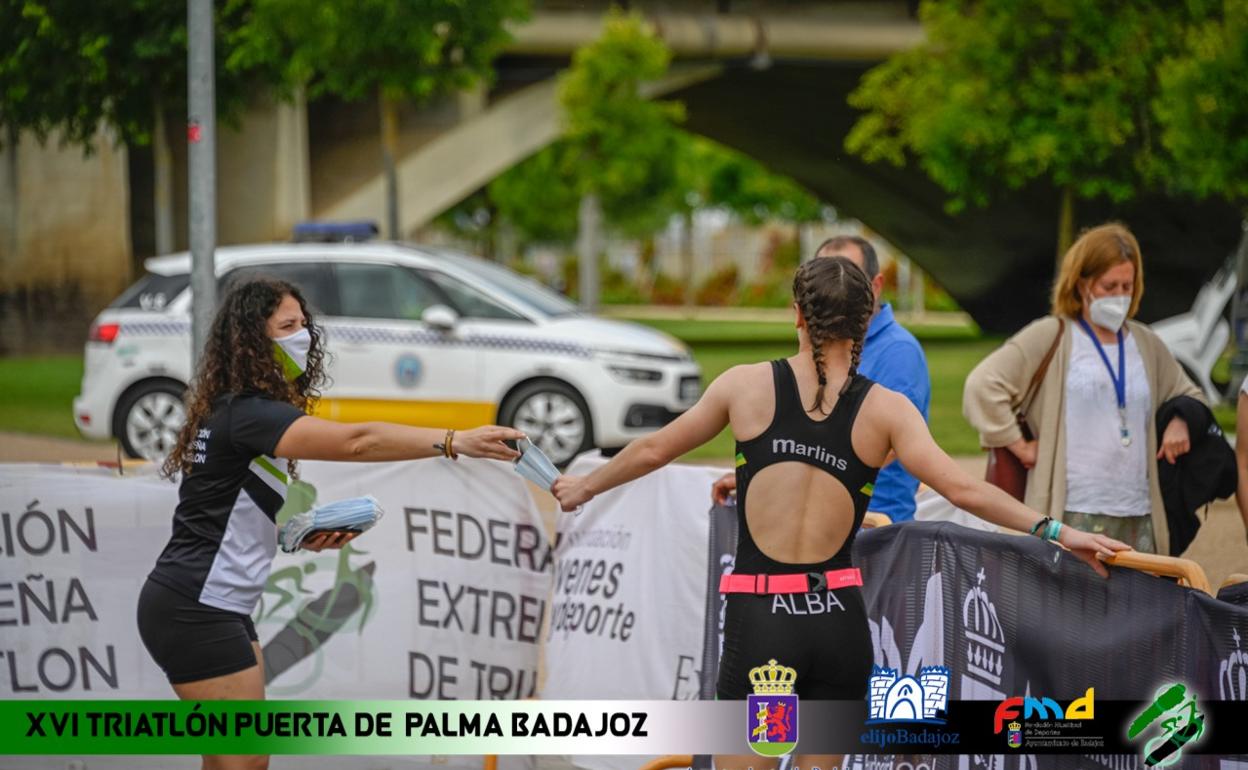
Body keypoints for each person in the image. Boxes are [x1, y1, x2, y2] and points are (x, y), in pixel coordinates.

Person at [553, 257, 1127, 770]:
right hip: (837, 623)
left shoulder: (746, 386)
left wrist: (585, 486)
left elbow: (655, 449)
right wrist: (1058, 531)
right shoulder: (886, 410)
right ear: (866, 319)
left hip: (764, 626)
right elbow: (961, 487)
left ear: (797, 315)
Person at [136, 278, 523, 770]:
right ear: (253, 339)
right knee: (246, 759)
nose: (302, 336)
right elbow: (355, 442)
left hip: (216, 605)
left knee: (230, 760)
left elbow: (215, 515)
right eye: (287, 326)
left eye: (303, 325)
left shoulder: (233, 409)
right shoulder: (248, 414)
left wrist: (293, 536)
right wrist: (454, 441)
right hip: (196, 608)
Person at [964, 222, 1202, 555]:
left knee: (1139, 604)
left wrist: (1181, 420)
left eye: (1127, 286)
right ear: (1081, 284)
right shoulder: (1052, 334)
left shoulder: (1146, 342)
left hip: (1139, 512)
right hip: (1071, 510)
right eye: (1109, 286)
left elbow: (1191, 395)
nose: (1120, 296)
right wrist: (1018, 445)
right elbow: (982, 385)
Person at [711, 235, 931, 523]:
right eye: (827, 275)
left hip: (875, 525)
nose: (836, 287)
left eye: (849, 275)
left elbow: (885, 450)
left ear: (875, 287)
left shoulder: (897, 352)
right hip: (829, 522)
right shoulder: (829, 346)